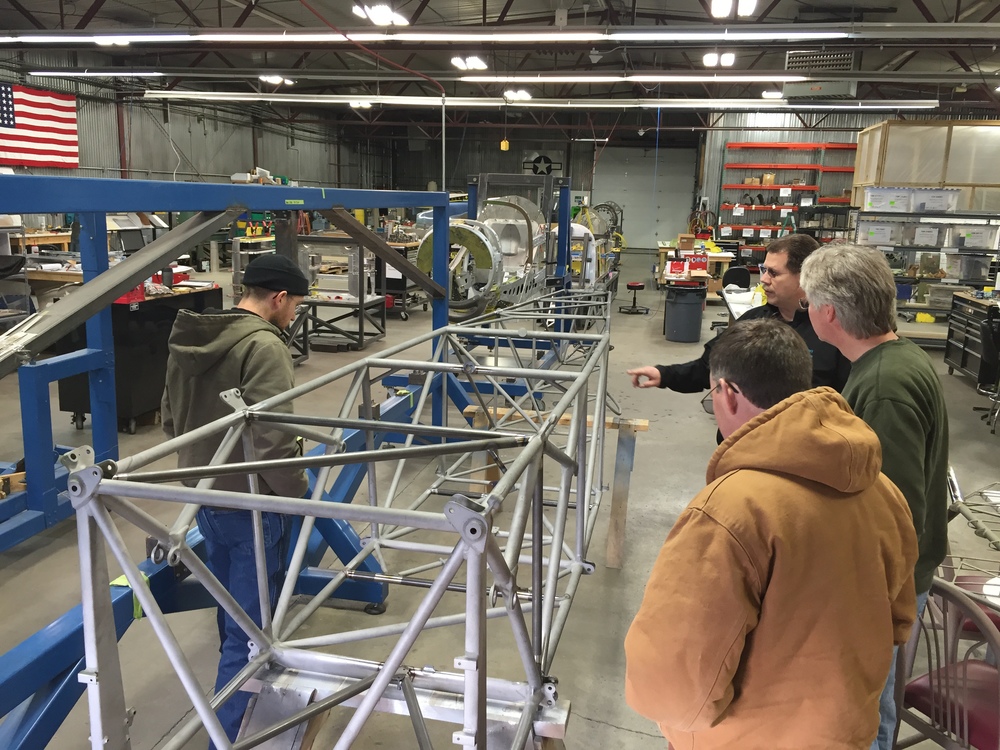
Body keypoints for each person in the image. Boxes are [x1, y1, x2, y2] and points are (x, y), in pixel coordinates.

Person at [624, 318, 919, 749]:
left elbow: (673, 682)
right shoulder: (882, 490)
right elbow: (900, 618)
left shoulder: (731, 511)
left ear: (727, 392)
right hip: (845, 732)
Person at [799, 244, 950, 750]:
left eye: (809, 302)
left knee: (863, 715)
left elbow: (895, 512)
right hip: (889, 579)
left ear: (829, 313)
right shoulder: (896, 358)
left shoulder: (885, 385)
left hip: (883, 585)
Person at [161, 253, 310, 746]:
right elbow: (273, 439)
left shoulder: (191, 338)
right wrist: (298, 495)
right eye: (295, 305)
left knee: (231, 614)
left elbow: (170, 418)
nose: (294, 315)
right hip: (252, 503)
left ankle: (227, 716)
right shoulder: (264, 346)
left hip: (206, 497)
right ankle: (224, 738)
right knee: (248, 638)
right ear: (279, 298)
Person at [628, 233, 851, 394]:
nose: (763, 279)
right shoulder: (753, 321)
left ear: (805, 277)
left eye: (773, 273)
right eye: (763, 270)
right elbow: (709, 367)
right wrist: (665, 375)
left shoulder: (834, 335)